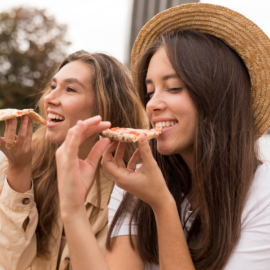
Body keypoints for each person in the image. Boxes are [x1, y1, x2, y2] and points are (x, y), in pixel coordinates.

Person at [55, 3, 270, 270]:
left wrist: (162, 205)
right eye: (150, 91)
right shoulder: (137, 181)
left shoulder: (263, 196)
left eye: (174, 88)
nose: (152, 104)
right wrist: (73, 209)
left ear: (217, 98)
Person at [0, 50, 147, 270]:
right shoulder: (11, 162)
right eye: (52, 87)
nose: (49, 98)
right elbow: (11, 263)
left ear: (105, 106)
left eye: (70, 89)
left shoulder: (129, 189)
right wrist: (19, 171)